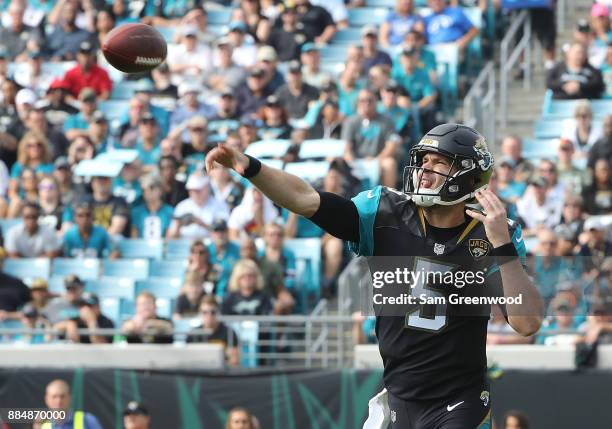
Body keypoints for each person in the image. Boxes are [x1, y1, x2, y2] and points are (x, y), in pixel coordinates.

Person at [205, 123, 543, 428]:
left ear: (469, 174)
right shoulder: (384, 211)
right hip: (400, 396)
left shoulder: (492, 232)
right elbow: (306, 199)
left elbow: (527, 323)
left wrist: (502, 247)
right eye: (423, 160)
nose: (425, 170)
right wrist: (251, 167)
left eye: (438, 162)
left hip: (460, 400)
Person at [341, 88, 399, 187]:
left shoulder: (387, 121)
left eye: (370, 100)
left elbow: (391, 146)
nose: (366, 103)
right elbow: (346, 148)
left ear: (376, 102)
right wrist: (353, 162)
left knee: (390, 163)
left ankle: (389, 200)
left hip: (379, 160)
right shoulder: (350, 121)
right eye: (363, 100)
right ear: (358, 103)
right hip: (356, 161)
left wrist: (376, 160)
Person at [167, 173, 230, 239]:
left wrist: (199, 222)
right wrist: (178, 225)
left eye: (198, 190)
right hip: (185, 244)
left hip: (210, 245)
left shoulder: (220, 205)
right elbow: (170, 237)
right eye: (191, 190)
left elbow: (223, 233)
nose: (194, 193)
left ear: (207, 188)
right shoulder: (182, 206)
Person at [187, 295, 240, 367]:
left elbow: (234, 361)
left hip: (222, 373)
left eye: (213, 312)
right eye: (204, 312)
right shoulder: (193, 334)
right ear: (200, 313)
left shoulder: (229, 332)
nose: (209, 316)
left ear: (218, 312)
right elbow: (188, 360)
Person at [130, 175, 174, 239]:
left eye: (151, 187)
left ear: (160, 190)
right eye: (143, 190)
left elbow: (169, 238)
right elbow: (134, 238)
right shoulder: (136, 212)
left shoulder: (169, 212)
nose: (147, 191)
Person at [208, 219, 241, 298]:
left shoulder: (237, 250)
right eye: (216, 231)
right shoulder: (204, 251)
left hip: (232, 294)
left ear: (227, 232)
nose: (220, 234)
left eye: (222, 231)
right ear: (211, 233)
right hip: (209, 296)